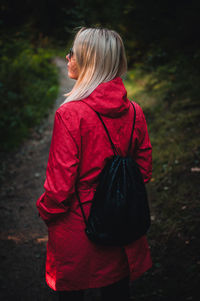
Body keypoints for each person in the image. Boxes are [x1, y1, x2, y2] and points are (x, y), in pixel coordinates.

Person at [36, 27, 152, 301]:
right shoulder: (134, 111)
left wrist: (46, 211)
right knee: (117, 291)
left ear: (90, 61)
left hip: (79, 226)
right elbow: (143, 170)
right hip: (121, 225)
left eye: (73, 53)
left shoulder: (70, 114)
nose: (67, 57)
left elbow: (59, 189)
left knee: (73, 294)